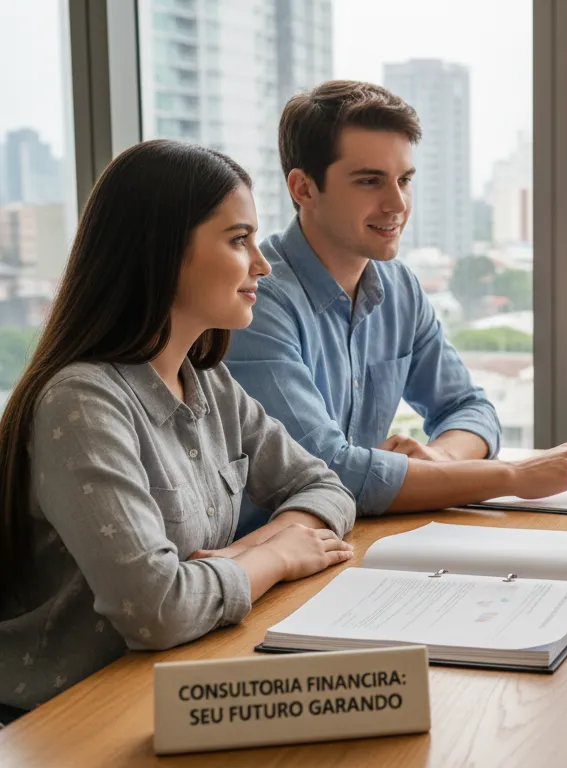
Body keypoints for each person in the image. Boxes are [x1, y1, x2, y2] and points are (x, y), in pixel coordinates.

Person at [0, 140, 357, 720]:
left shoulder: (209, 384)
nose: (261, 264)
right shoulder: (82, 402)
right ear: (163, 252)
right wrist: (278, 559)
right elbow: (156, 609)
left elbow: (325, 486)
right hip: (66, 720)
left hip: (171, 687)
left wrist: (252, 547)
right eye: (239, 240)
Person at [224, 80, 567, 535]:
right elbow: (327, 471)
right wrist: (513, 476)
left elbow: (469, 407)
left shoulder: (398, 285)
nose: (397, 204)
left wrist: (441, 459)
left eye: (404, 180)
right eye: (369, 180)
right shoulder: (257, 300)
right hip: (266, 570)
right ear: (304, 189)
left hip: (362, 542)